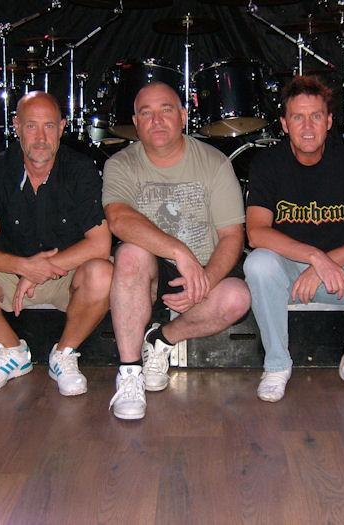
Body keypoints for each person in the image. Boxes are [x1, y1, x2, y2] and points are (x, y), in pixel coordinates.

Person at [244, 75, 344, 404]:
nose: (307, 126)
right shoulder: (268, 163)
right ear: (284, 124)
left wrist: (326, 263)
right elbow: (256, 232)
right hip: (291, 272)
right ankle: (277, 364)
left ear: (329, 121)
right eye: (297, 117)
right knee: (258, 263)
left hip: (340, 272)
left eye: (316, 116)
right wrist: (315, 258)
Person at [0, 91, 112, 396]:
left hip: (68, 274)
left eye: (49, 126)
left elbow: (99, 245)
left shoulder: (80, 169)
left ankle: (64, 354)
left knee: (103, 274)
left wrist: (42, 269)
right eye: (32, 126)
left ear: (62, 127)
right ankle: (11, 351)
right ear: (17, 126)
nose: (41, 138)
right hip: (10, 274)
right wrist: (22, 267)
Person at [102, 82, 251, 420]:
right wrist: (179, 251)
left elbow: (232, 236)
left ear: (183, 116)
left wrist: (206, 280)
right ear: (135, 123)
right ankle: (130, 373)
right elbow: (119, 219)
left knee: (237, 298)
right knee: (129, 254)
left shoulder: (214, 163)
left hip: (204, 266)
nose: (156, 120)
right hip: (151, 273)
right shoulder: (121, 164)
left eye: (166, 110)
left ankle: (162, 341)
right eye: (146, 113)